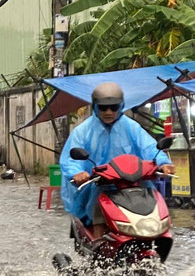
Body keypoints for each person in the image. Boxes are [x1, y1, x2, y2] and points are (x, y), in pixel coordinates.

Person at [59, 82, 175, 226]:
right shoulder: (82, 131)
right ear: (95, 106)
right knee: (97, 212)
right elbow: (71, 160)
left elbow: (149, 147)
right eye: (103, 107)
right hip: (99, 185)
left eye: (113, 107)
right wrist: (77, 173)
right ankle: (98, 241)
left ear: (121, 106)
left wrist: (163, 163)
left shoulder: (131, 127)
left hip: (132, 183)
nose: (108, 112)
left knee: (156, 213)